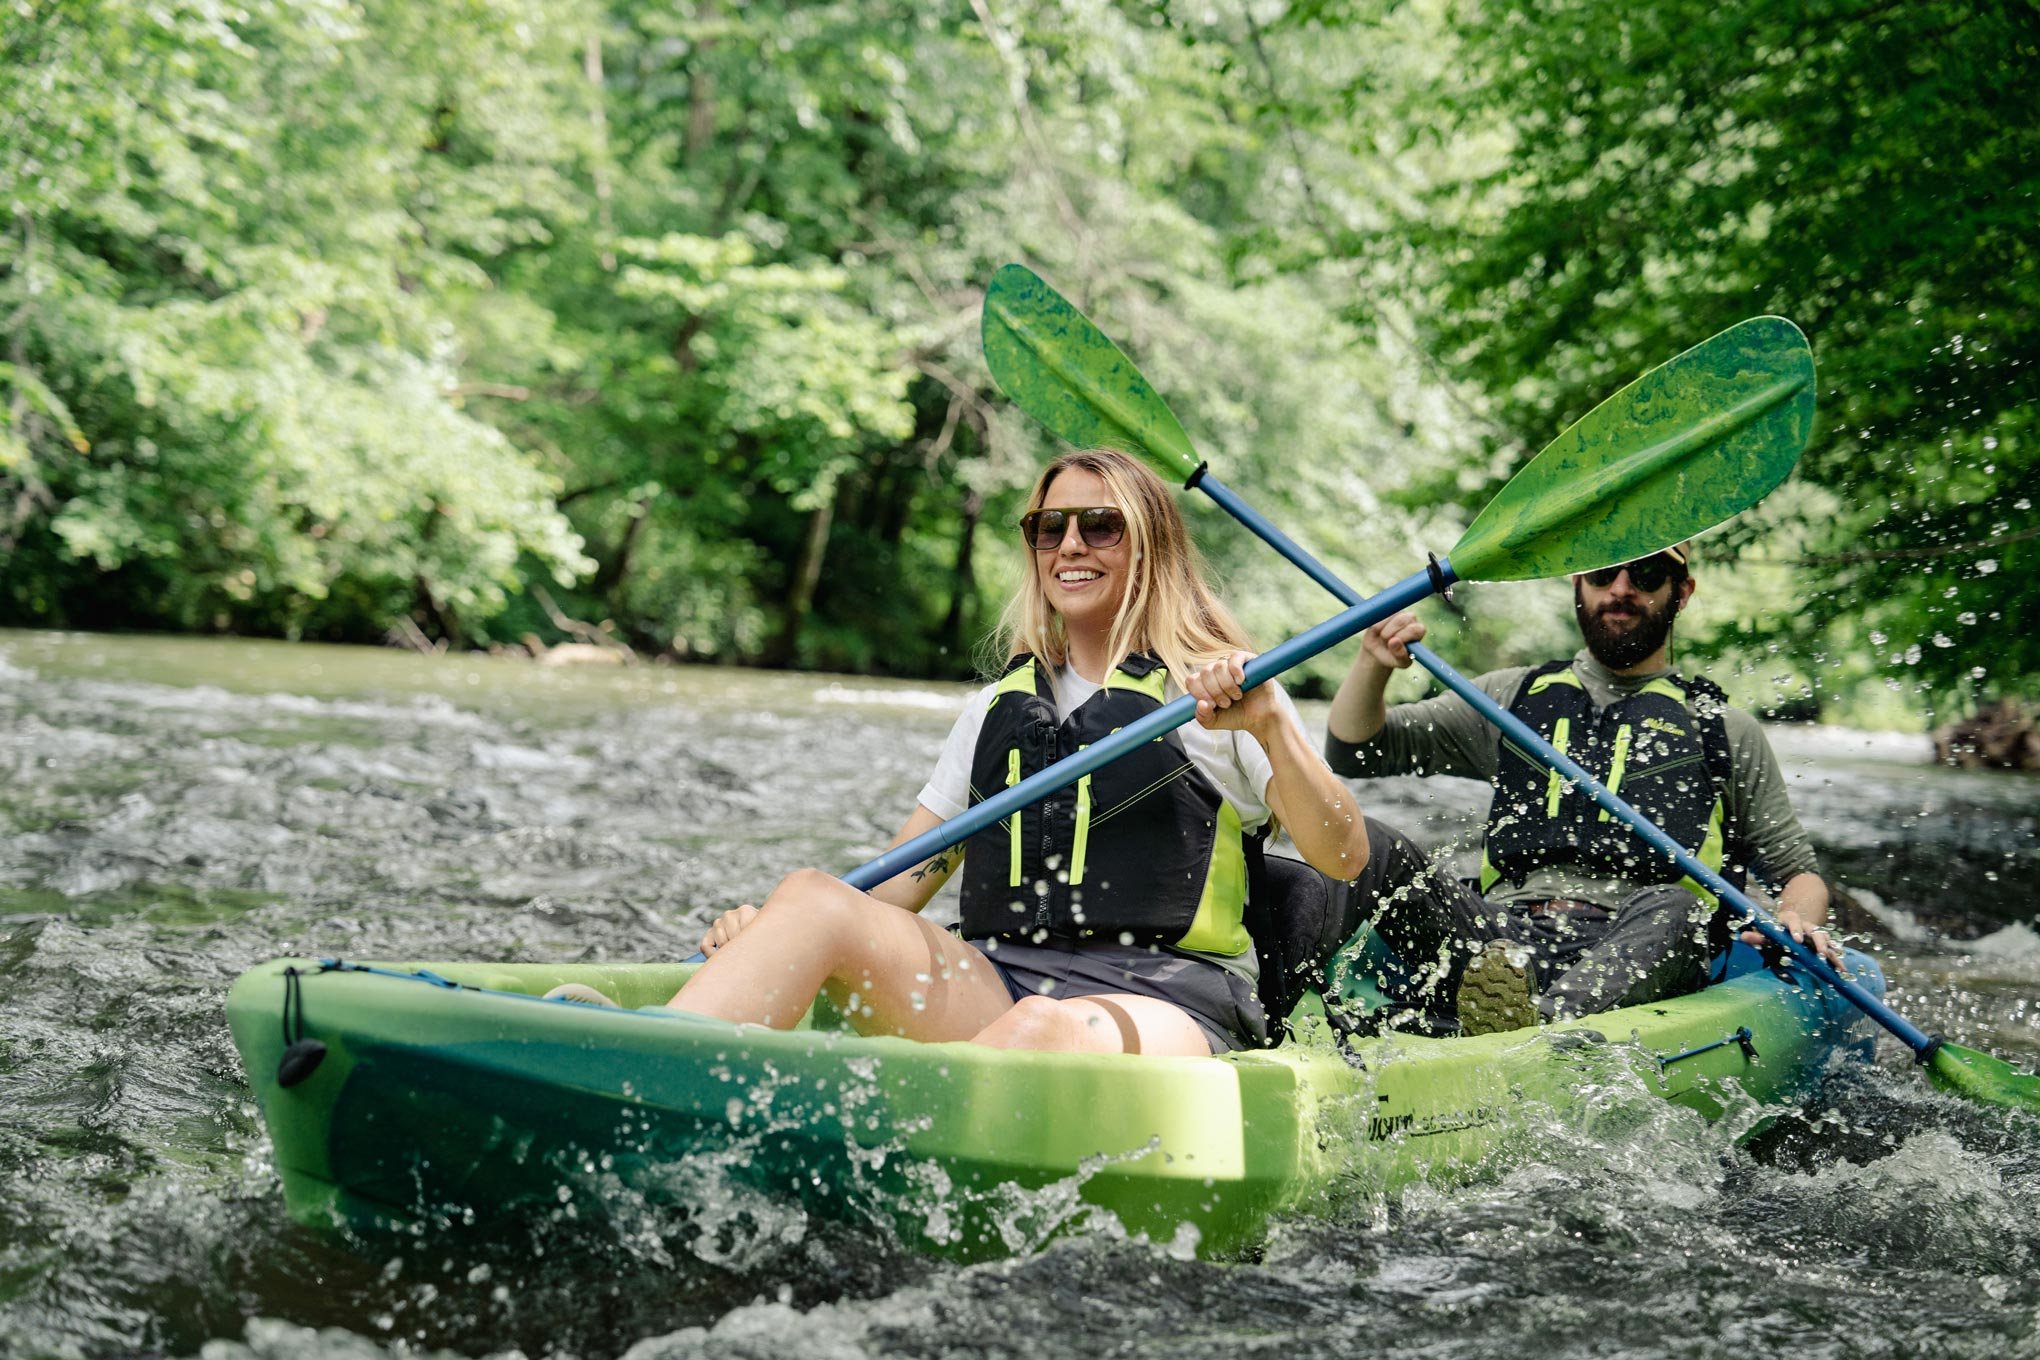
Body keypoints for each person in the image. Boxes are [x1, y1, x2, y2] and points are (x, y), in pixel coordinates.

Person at [556, 448, 1370, 1055]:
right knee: (811, 896)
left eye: (1101, 525)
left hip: (1172, 1004)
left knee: (1039, 1031)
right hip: (1004, 979)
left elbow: (1341, 856)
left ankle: (877, 1146)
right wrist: (775, 926)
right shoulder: (996, 709)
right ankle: (649, 1059)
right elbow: (895, 886)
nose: (1070, 545)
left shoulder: (1221, 696)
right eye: (1050, 527)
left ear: (1148, 545)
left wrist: (1272, 725)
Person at [1322, 543, 1841, 1036]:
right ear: (1578, 583)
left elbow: (1798, 873)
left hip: (1637, 945)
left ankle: (1533, 1031)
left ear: (1681, 592)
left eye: (1645, 575)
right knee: (1375, 845)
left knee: (1680, 910)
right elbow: (1355, 750)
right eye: (1602, 574)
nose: (1620, 589)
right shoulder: (1511, 696)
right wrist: (1373, 663)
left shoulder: (1721, 728)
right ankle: (1290, 1008)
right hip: (1503, 944)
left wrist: (1795, 917)